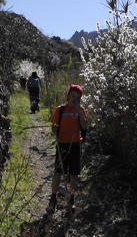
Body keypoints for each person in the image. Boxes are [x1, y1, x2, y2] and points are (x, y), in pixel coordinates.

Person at [48, 85, 88, 214]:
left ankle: (71, 199)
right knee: (58, 171)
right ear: (68, 95)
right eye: (72, 96)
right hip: (62, 145)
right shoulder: (60, 110)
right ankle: (53, 198)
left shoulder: (80, 110)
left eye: (77, 97)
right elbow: (54, 127)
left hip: (75, 144)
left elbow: (84, 126)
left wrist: (78, 109)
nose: (74, 99)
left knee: (73, 174)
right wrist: (54, 129)